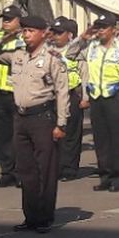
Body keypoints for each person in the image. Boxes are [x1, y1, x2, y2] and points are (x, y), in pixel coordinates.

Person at [0, 15, 69, 233]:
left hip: (42, 117)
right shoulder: (18, 56)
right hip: (21, 118)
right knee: (26, 169)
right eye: (24, 31)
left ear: (44, 32)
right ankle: (31, 216)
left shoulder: (52, 58)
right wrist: (7, 36)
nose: (26, 35)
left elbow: (62, 91)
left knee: (46, 169)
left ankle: (45, 217)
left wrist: (61, 124)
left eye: (31, 31)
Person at [76, 14, 119, 192]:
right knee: (101, 140)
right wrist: (83, 37)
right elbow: (70, 54)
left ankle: (118, 177)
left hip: (117, 97)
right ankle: (105, 175)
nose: (100, 31)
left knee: (117, 139)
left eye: (104, 27)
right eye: (98, 27)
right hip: (97, 98)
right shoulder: (91, 47)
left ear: (113, 29)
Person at [0, 5, 23, 188]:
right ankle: (7, 172)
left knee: (19, 136)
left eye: (9, 19)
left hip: (16, 92)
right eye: (4, 19)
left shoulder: (24, 37)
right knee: (2, 136)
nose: (6, 23)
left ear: (19, 20)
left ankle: (21, 172)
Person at [47, 17, 86, 181]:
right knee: (53, 134)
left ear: (70, 35)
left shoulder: (77, 52)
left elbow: (85, 74)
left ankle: (69, 169)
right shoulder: (48, 50)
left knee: (71, 134)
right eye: (54, 32)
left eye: (59, 33)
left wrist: (86, 96)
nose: (55, 36)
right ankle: (56, 167)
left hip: (71, 94)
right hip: (51, 95)